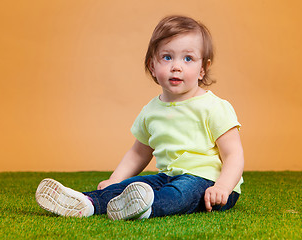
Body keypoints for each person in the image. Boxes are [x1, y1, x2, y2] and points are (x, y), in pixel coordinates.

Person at [35, 15, 244, 220]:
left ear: (203, 69)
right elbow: (138, 153)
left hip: (208, 182)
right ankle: (87, 203)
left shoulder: (214, 107)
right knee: (136, 186)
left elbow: (233, 154)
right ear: (152, 66)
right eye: (167, 57)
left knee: (180, 193)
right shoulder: (151, 110)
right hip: (168, 177)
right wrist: (115, 180)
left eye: (188, 58)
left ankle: (145, 208)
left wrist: (223, 187)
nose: (176, 66)